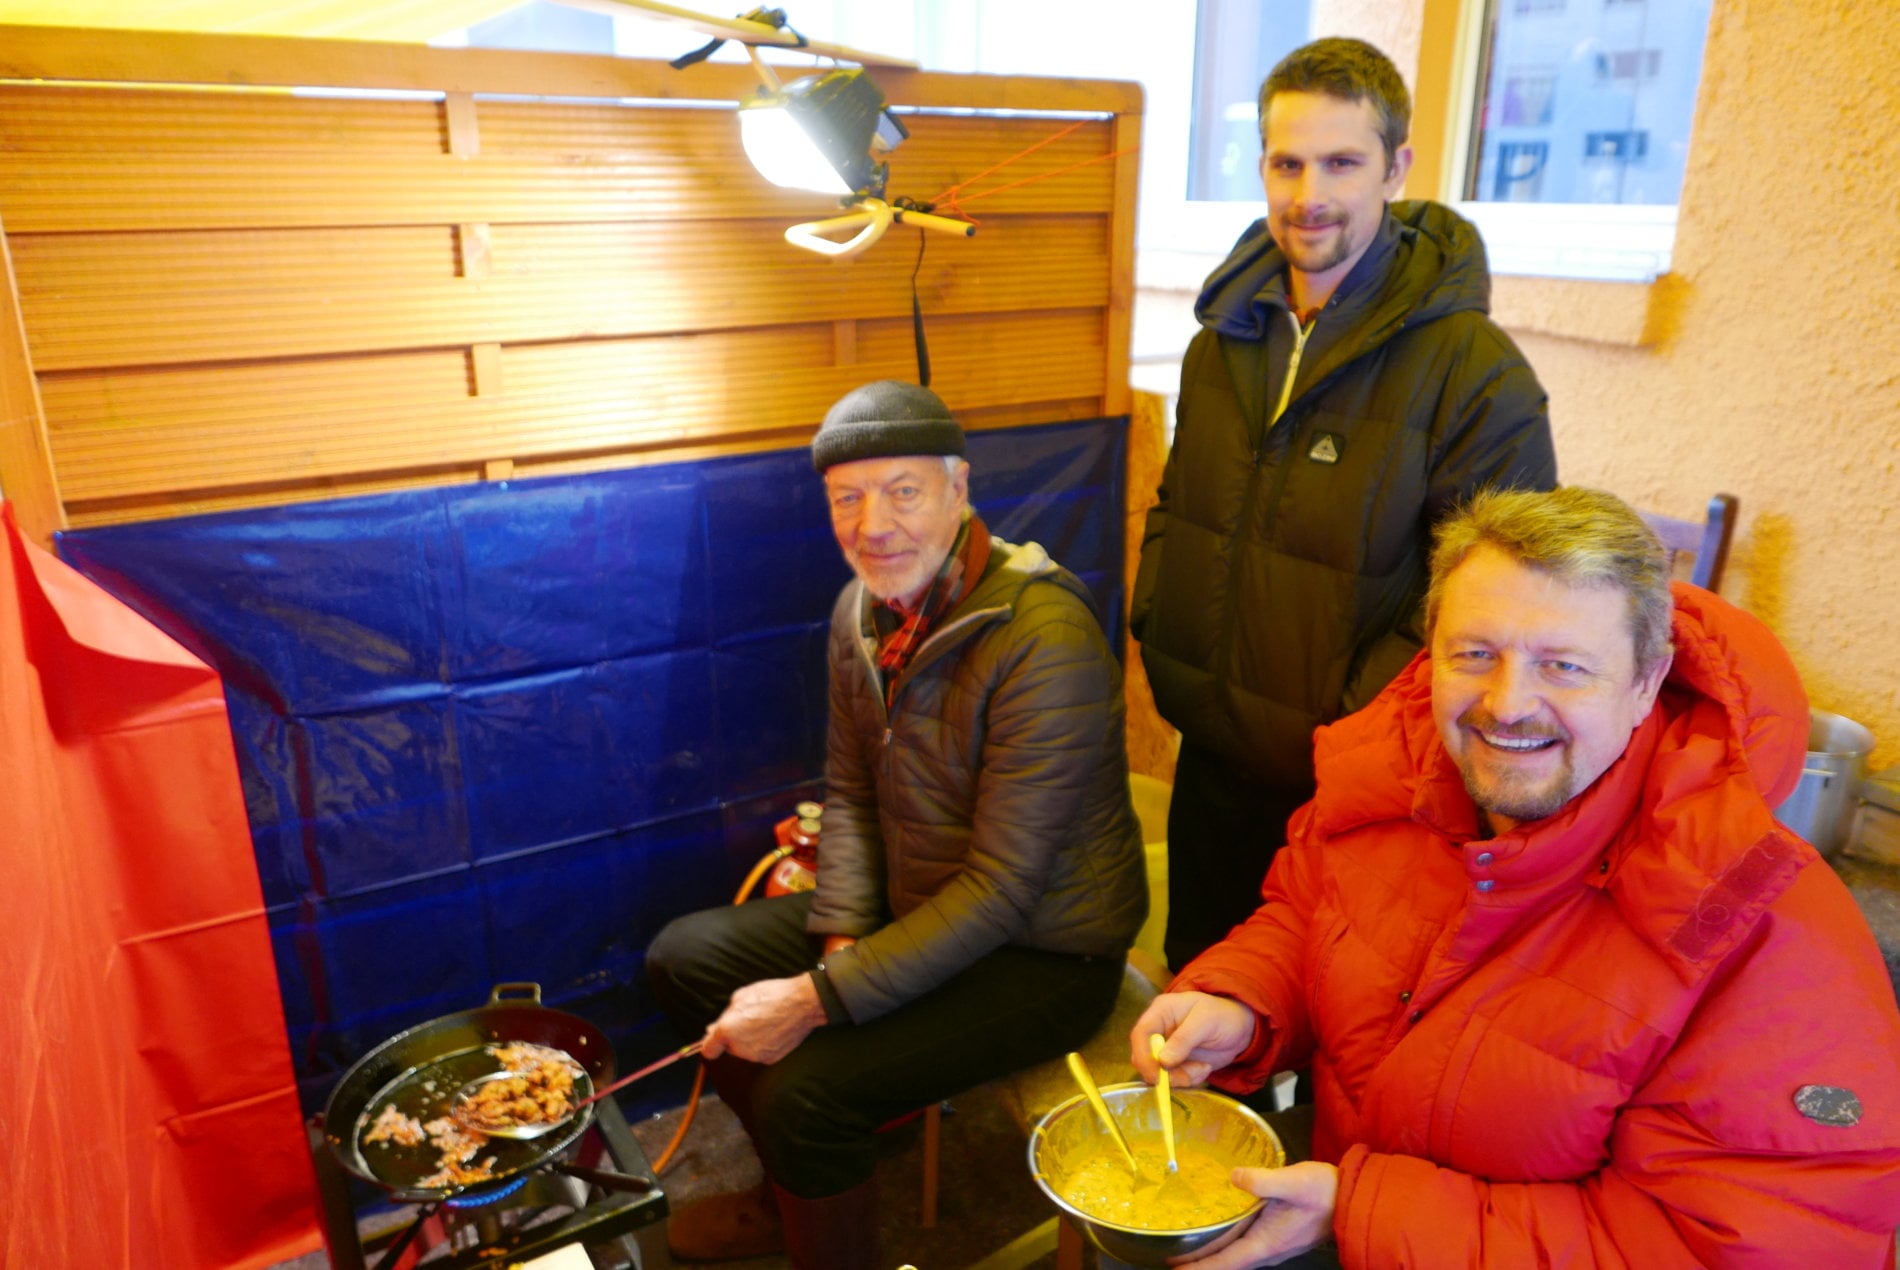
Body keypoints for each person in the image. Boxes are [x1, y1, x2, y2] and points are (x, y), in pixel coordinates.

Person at [1130, 486, 1900, 1267]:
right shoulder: (1390, 779)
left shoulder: (1768, 935)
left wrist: (1365, 1212)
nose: (1506, 705)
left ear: (1646, 681)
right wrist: (1244, 1001)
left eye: (1563, 666)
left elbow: (1729, 1249)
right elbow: (1311, 912)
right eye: (1475, 655)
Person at [646, 380, 1149, 1268]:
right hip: (919, 902)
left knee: (803, 1092)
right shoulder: (862, 611)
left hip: (1043, 953)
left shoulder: (1044, 636)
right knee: (684, 959)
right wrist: (841, 945)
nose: (872, 524)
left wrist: (822, 997)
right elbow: (850, 795)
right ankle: (798, 1184)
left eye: (903, 491)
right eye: (847, 498)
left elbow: (1003, 890)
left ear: (959, 488)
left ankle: (814, 1176)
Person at [1132, 36, 1558, 971]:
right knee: (1194, 993)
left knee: (1320, 1017)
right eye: (1287, 164)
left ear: (1396, 169)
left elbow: (1497, 602)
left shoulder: (1474, 373)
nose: (1308, 194)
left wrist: (1355, 723)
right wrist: (1160, 620)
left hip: (1356, 792)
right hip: (1212, 760)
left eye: (1341, 163)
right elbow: (1179, 506)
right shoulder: (1223, 341)